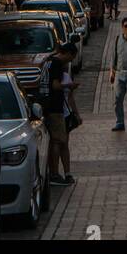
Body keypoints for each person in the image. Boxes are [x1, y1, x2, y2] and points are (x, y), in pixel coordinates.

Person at [47, 41, 78, 186]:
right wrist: (69, 85)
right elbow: (55, 85)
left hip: (55, 107)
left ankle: (59, 173)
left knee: (60, 141)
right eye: (71, 58)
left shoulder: (52, 61)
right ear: (68, 54)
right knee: (58, 141)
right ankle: (54, 173)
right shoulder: (57, 63)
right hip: (55, 107)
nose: (70, 62)